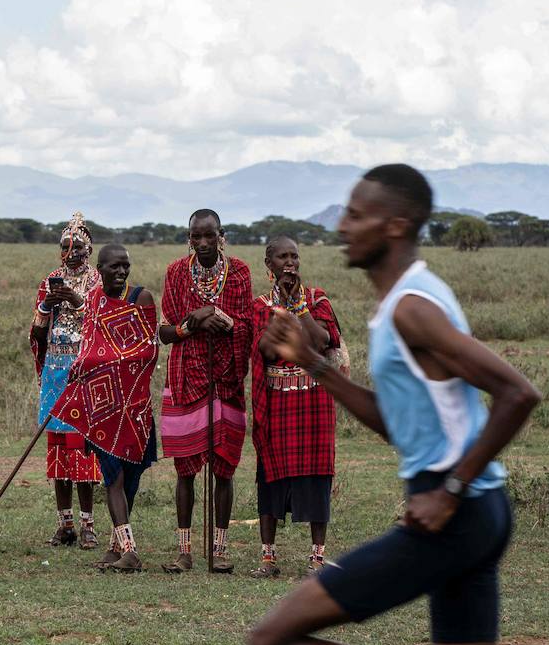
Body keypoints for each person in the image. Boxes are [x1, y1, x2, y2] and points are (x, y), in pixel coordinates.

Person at [249, 165, 549, 645]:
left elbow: (518, 392)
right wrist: (314, 364)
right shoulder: (403, 303)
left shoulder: (413, 308)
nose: (342, 226)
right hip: (478, 513)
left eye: (356, 214)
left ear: (395, 225)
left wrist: (449, 489)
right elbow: (401, 425)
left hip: (454, 516)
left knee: (271, 642)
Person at [51, 244, 159, 572]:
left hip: (133, 405)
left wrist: (100, 361)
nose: (122, 271)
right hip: (102, 405)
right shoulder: (95, 299)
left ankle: (116, 548)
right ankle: (129, 550)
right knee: (113, 477)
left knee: (130, 478)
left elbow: (147, 351)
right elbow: (89, 344)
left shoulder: (141, 299)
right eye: (114, 266)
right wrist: (82, 365)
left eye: (126, 265)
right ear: (100, 270)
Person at [157, 209, 253, 573]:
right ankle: (184, 551)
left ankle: (220, 549)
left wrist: (218, 316)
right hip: (186, 377)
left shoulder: (239, 272)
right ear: (189, 239)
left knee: (223, 469)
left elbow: (246, 325)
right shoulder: (176, 273)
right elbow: (165, 332)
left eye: (209, 236)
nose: (202, 243)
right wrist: (192, 323)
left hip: (226, 379)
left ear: (221, 236)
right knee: (185, 469)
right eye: (195, 236)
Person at [248, 237, 343, 578]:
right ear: (269, 265)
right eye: (282, 257)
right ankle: (268, 559)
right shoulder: (260, 305)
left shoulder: (317, 299)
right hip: (277, 399)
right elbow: (266, 349)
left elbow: (321, 340)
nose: (289, 262)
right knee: (270, 476)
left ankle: (317, 558)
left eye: (294, 256)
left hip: (313, 400)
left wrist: (297, 308)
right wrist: (283, 312)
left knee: (317, 475)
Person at [31, 212, 103, 549]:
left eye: (77, 248)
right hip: (55, 373)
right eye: (65, 247)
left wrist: (77, 301)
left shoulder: (97, 281)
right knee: (58, 449)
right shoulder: (51, 279)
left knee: (83, 450)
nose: (70, 253)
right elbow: (36, 332)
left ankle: (88, 525)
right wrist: (47, 306)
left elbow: (103, 322)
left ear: (89, 250)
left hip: (84, 373)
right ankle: (65, 524)